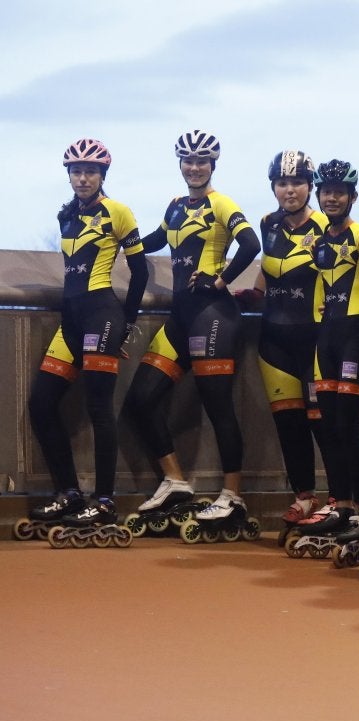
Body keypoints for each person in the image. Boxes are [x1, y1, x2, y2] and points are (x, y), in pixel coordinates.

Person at [122, 129, 260, 532]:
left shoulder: (222, 203)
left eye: (202, 161)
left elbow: (251, 245)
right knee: (140, 400)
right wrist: (119, 239)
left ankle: (232, 496)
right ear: (180, 164)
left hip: (213, 315)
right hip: (180, 319)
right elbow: (155, 239)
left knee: (218, 408)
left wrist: (220, 280)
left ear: (212, 165)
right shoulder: (176, 206)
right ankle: (176, 481)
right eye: (188, 161)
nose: (194, 167)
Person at [23, 138, 147, 532]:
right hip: (72, 321)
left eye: (90, 171)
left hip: (102, 316)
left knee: (98, 408)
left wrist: (126, 323)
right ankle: (69, 493)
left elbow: (141, 272)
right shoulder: (66, 215)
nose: (83, 178)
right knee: (41, 404)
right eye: (76, 171)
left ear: (102, 175)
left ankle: (105, 501)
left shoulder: (118, 212)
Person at [293, 160, 359, 545]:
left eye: (339, 192)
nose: (332, 198)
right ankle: (341, 505)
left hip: (355, 337)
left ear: (352, 197)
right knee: (329, 427)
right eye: (326, 192)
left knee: (348, 426)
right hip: (326, 338)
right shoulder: (317, 241)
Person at [246, 150, 329, 530]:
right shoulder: (268, 223)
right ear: (273, 187)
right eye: (282, 182)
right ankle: (304, 497)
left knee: (322, 425)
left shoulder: (327, 226)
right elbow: (268, 265)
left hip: (314, 340)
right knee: (289, 425)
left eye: (297, 182)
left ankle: (341, 500)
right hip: (273, 339)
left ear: (310, 186)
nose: (289, 189)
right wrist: (255, 292)